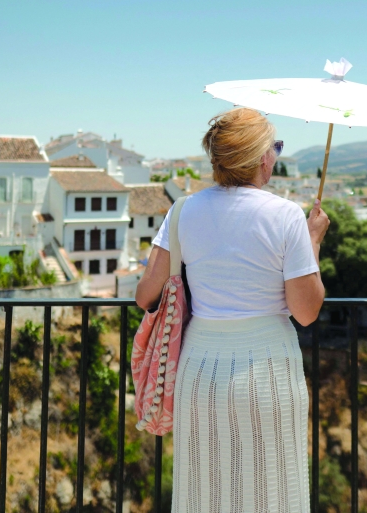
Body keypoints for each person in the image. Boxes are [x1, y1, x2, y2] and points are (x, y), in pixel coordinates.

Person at [136, 107, 329, 513]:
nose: (275, 155)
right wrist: (312, 242)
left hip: (200, 370)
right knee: (271, 490)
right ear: (261, 157)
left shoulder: (183, 210)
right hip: (268, 371)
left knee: (205, 490)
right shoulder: (287, 216)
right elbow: (306, 311)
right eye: (275, 147)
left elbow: (145, 294)